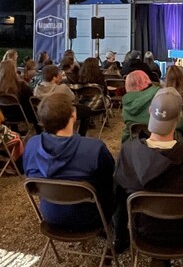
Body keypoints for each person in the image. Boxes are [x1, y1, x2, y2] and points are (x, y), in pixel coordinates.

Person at [112, 88, 183, 267]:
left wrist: (121, 235)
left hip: (146, 234)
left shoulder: (128, 152)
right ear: (178, 119)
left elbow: (117, 198)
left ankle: (159, 257)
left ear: (149, 112)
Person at [23, 94, 116, 230]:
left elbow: (29, 174)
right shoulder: (94, 148)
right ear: (73, 115)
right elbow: (109, 179)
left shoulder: (31, 145)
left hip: (50, 216)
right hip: (92, 217)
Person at [120, 70, 161, 142]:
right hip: (161, 141)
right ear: (146, 80)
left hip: (133, 142)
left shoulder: (126, 104)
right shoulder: (162, 96)